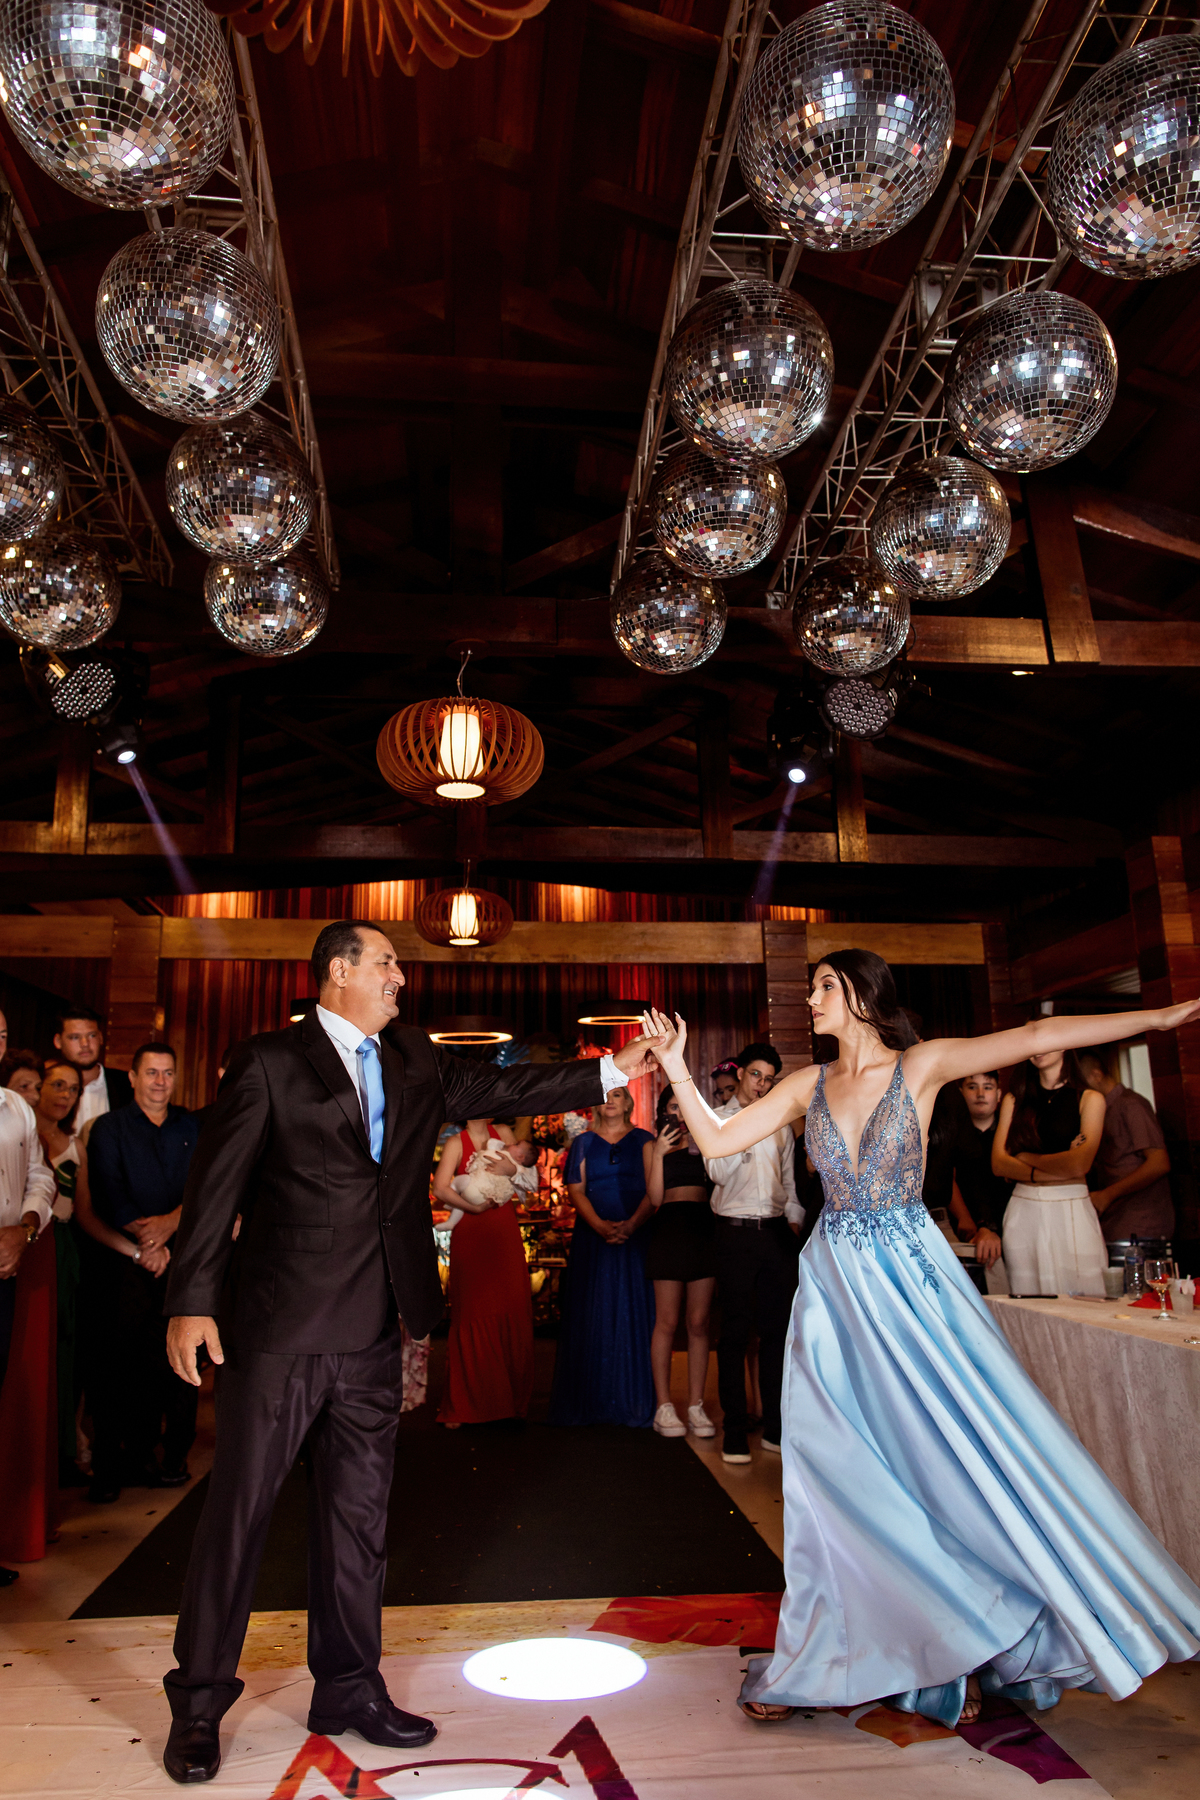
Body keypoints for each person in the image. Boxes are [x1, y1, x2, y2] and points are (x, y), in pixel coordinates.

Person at [639, 956, 1200, 1732]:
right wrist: (674, 1063)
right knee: (837, 1474)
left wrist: (1156, 1019)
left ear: (863, 995)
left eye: (824, 985)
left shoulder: (923, 1065)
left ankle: (963, 1643)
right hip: (834, 1291)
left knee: (945, 1461)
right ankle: (834, 1652)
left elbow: (1036, 1036)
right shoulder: (806, 1085)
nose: (811, 998)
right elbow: (717, 1140)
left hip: (912, 1283)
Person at [161, 921, 655, 1784]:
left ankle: (349, 1690)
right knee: (238, 1517)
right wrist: (192, 1300)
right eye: (386, 961)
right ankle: (199, 1703)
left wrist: (615, 1068)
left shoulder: (414, 1057)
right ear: (339, 971)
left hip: (373, 1329)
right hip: (278, 1331)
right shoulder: (269, 1061)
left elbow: (506, 1082)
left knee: (358, 1523)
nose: (400, 975)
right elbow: (216, 1185)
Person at [85, 1044, 198, 1504]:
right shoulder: (109, 1128)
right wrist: (148, 1244)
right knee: (115, 1366)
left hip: (177, 1264)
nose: (160, 1082)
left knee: (162, 1368)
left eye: (168, 1073)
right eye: (151, 1073)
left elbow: (203, 1188)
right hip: (123, 1267)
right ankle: (107, 1466)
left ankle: (148, 1457)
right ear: (132, 1078)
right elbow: (108, 1193)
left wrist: (169, 1225)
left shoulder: (190, 1127)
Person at [703, 1041, 801, 1466]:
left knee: (777, 1334)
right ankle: (735, 1430)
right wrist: (744, 1129)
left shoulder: (780, 1122)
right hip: (734, 1234)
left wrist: (793, 1220)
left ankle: (776, 1427)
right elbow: (717, 1172)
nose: (762, 1084)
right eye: (756, 1074)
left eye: (769, 1079)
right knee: (734, 1334)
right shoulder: (718, 1120)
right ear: (740, 1073)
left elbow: (790, 1182)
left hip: (775, 1234)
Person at [548, 1086, 656, 1429]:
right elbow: (575, 1190)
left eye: (618, 1095)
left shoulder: (645, 1140)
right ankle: (589, 1400)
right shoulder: (583, 1142)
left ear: (628, 1103)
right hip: (592, 1238)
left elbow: (655, 1190)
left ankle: (633, 1399)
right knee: (591, 1310)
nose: (610, 1100)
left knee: (633, 1309)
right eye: (606, 1095)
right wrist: (599, 1226)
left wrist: (630, 1225)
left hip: (636, 1235)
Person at [0, 1008, 58, 1578]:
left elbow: (40, 1176)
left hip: (7, 1268)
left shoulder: (15, 1107)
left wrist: (26, 1227)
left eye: (0, 1034)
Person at [433, 1120, 535, 1428]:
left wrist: (512, 1170)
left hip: (503, 1229)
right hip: (471, 1229)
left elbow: (528, 1180)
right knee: (472, 1311)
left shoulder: (503, 1133)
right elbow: (440, 1188)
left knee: (510, 1306)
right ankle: (466, 1404)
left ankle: (510, 1401)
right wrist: (472, 1208)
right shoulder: (456, 1142)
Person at [992, 1045, 1107, 1297]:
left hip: (1072, 1204)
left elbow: (1079, 1165)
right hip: (1024, 1206)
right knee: (1027, 1297)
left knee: (1084, 1296)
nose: (1038, 1049)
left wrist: (1025, 1158)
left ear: (1064, 1045)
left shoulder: (1089, 1098)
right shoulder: (1014, 1099)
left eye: (1046, 1040)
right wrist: (1058, 1167)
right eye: (1032, 1042)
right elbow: (999, 1164)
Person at [644, 1088, 716, 1440]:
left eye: (684, 1106)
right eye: (673, 1107)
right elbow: (655, 1198)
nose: (680, 1114)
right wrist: (659, 1152)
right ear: (663, 1111)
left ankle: (696, 1405)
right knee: (667, 1321)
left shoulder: (706, 1140)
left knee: (699, 1322)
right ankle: (664, 1406)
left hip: (703, 1226)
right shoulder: (652, 1146)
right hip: (669, 1227)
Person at [32, 1060, 90, 1484]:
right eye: (57, 1085)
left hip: (65, 1247)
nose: (65, 1095)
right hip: (26, 1245)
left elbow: (85, 1213)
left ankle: (60, 1451)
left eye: (73, 1089)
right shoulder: (16, 1134)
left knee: (65, 1349)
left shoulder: (76, 1146)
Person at [1078, 1051, 1174, 1245]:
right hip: (1114, 1221)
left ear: (1096, 1076)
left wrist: (1107, 1195)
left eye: (1080, 1084)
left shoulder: (1131, 1105)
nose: (1079, 1092)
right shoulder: (1100, 1112)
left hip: (1141, 1222)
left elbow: (1159, 1163)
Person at [947, 1071, 1012, 1292]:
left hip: (1011, 1226)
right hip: (965, 1232)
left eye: (988, 1087)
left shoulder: (1014, 1135)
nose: (980, 1094)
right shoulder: (950, 1135)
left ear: (999, 1094)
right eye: (972, 1087)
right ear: (960, 1093)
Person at [52, 1006, 133, 1132]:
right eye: (75, 1037)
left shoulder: (127, 1085)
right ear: (58, 1041)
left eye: (91, 1035)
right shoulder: (46, 1087)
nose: (85, 1044)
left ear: (100, 1037)